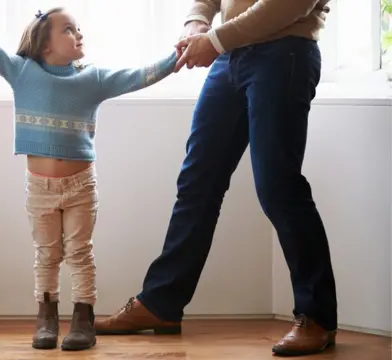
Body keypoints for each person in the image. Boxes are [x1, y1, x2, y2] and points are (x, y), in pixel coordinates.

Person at [93, 0, 338, 357]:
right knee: (197, 183)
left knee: (278, 187)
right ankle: (161, 302)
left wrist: (217, 39)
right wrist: (196, 23)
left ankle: (317, 316)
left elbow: (290, 4)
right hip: (230, 59)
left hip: (284, 54)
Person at [0, 3, 177, 351]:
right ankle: (46, 317)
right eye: (68, 29)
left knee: (80, 252)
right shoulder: (21, 70)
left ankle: (83, 318)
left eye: (78, 28)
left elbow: (140, 75)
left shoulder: (92, 78)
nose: (78, 33)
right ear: (44, 45)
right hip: (39, 188)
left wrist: (178, 56)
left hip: (81, 185)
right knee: (46, 254)